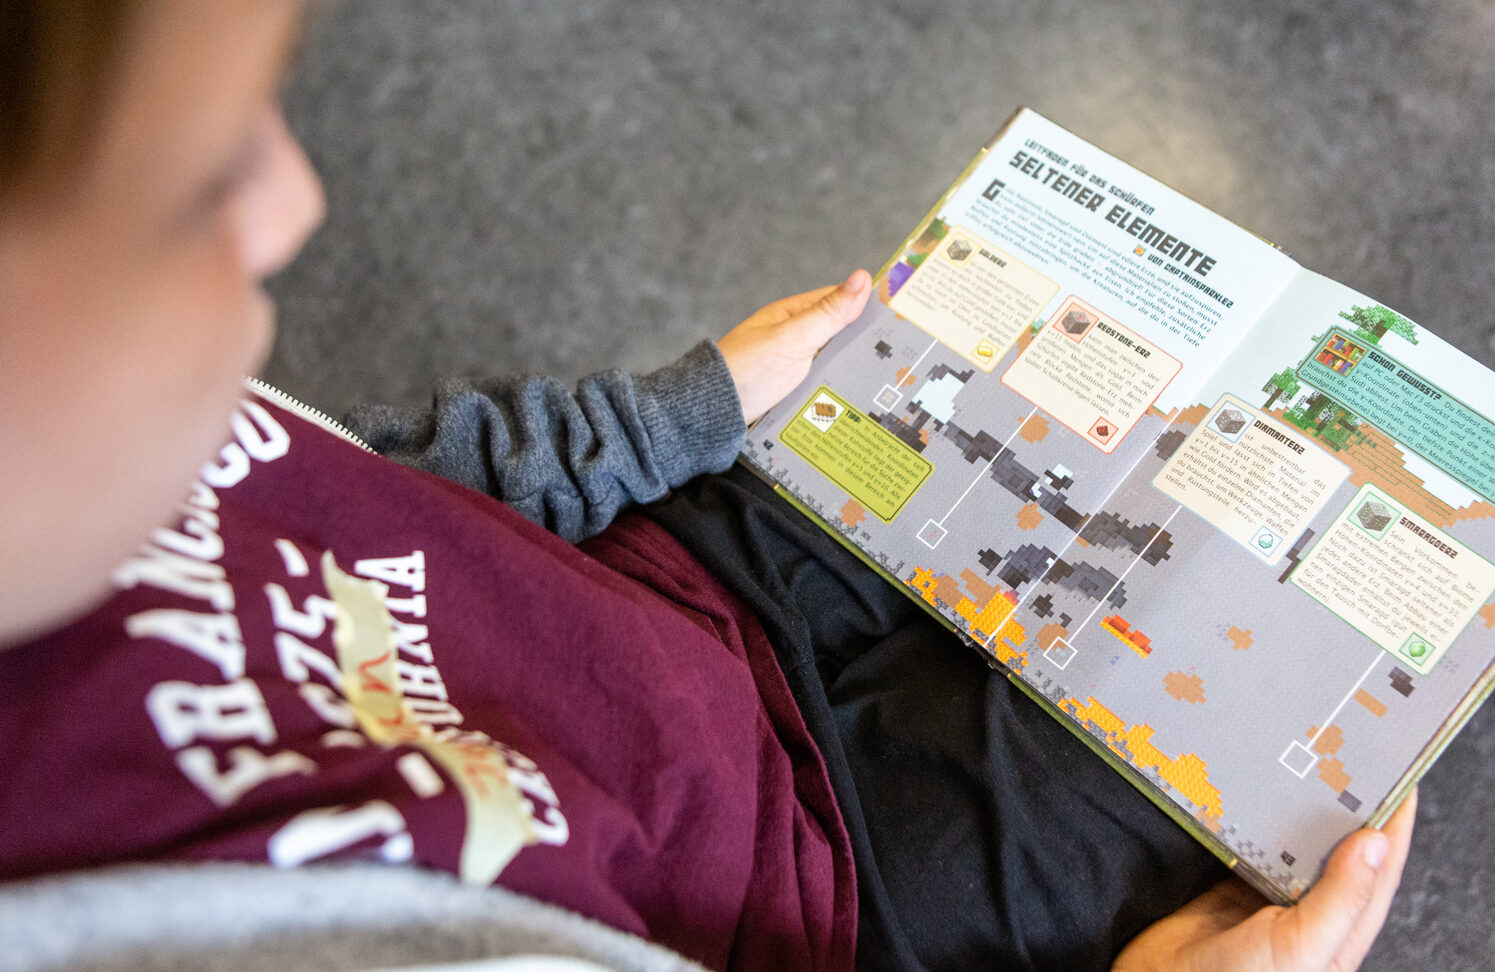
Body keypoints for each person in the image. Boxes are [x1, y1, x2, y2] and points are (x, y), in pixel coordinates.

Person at [0, 1, 1416, 969]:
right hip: (840, 909)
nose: (294, 206)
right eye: (194, 182)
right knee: (1250, 668)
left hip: (666, 578)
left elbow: (361, 484)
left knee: (1096, 454)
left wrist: (656, 421)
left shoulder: (81, 434)